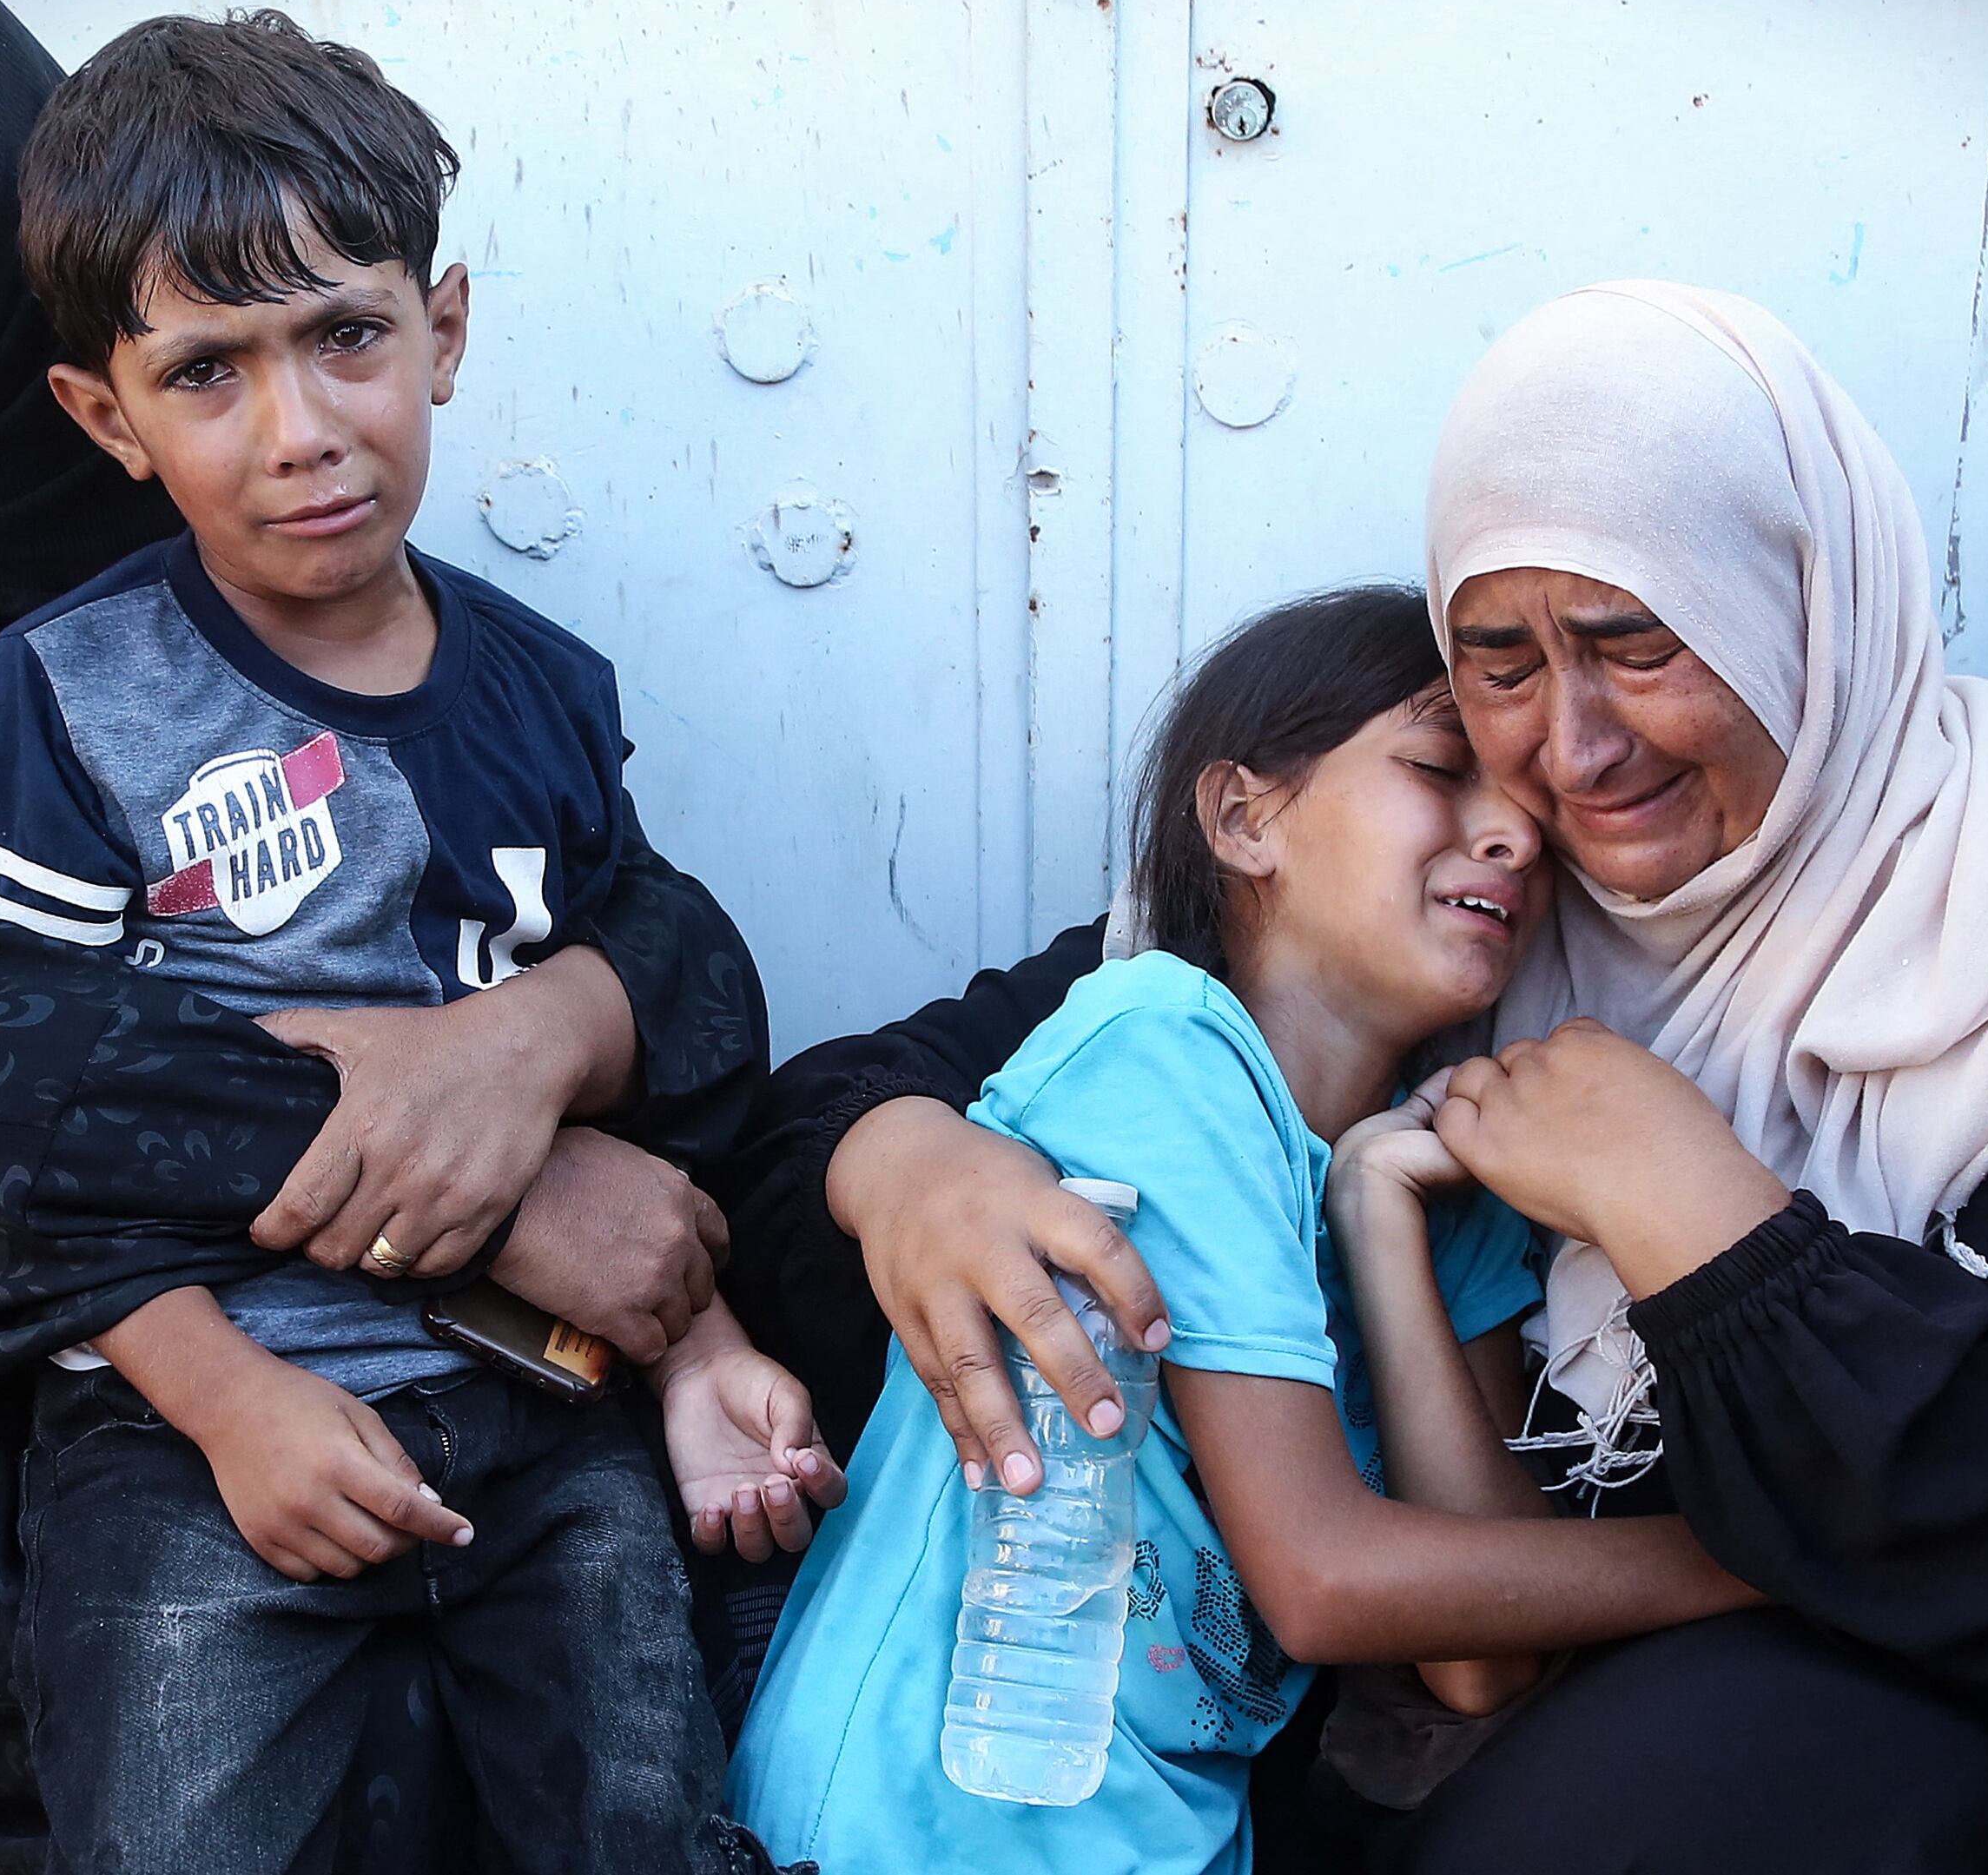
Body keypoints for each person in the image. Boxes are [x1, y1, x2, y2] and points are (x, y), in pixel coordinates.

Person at [719, 282, 1988, 1871]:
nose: (1564, 763)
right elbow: (863, 1102)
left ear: (1797, 612)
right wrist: (906, 1158)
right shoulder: (1352, 982)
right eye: (1496, 671)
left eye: (1635, 644)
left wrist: (1698, 1219)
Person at [0, 0, 766, 1871]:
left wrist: (537, 1039)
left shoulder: (275, 524)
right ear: (110, 399)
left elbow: (647, 926)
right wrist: (490, 1188)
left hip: (418, 1378)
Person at [0, 10, 837, 1873]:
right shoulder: (66, 700)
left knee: (646, 1820)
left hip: (541, 1392)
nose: (301, 432)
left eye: (345, 337)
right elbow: (16, 1129)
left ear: (442, 328)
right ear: (106, 418)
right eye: (207, 372)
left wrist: (697, 1356)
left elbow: (617, 1054)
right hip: (187, 1431)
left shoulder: (544, 689)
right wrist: (230, 1407)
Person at [726, 588, 1757, 1873]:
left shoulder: (1452, 1181)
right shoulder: (1162, 1047)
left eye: (1532, 814)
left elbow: (1481, 1664)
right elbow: (1320, 1578)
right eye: (1443, 769)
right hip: (920, 1833)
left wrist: (1377, 1224)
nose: (1511, 834)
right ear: (1243, 817)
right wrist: (1768, 1560)